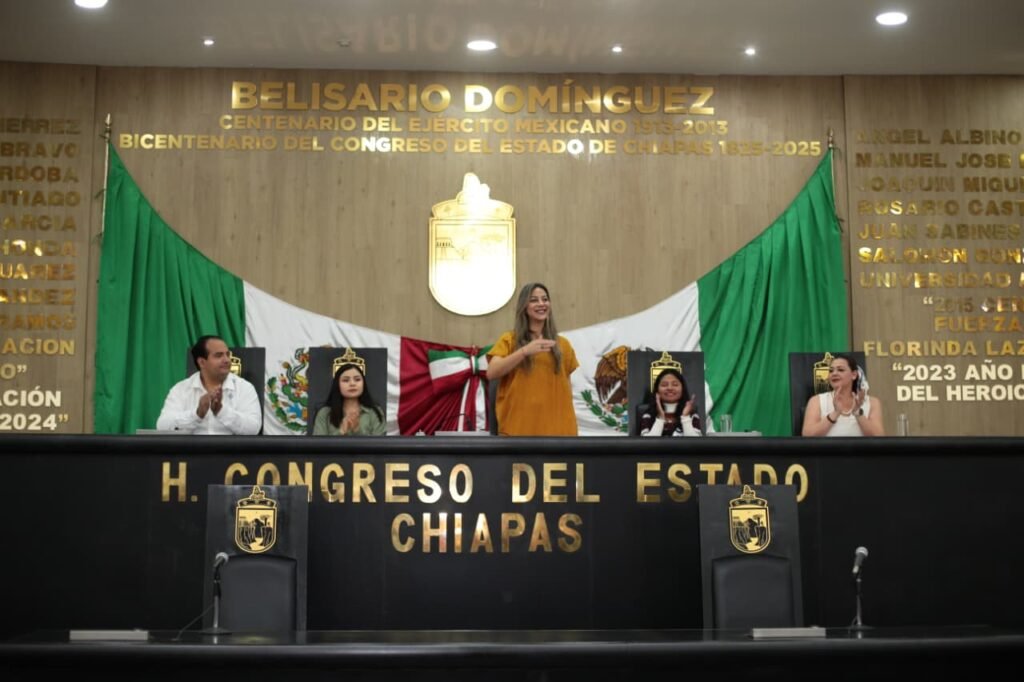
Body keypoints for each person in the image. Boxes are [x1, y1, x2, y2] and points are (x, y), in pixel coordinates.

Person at [486, 282, 579, 436]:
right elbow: (492, 372)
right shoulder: (509, 339)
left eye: (545, 299)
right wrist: (524, 351)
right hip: (519, 432)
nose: (541, 304)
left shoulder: (563, 344)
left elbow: (567, 390)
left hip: (559, 432)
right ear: (524, 306)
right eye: (534, 300)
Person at [156, 335, 262, 434]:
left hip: (230, 448)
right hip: (192, 448)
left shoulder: (244, 388)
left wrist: (221, 411)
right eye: (218, 355)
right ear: (202, 362)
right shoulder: (181, 389)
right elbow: (162, 426)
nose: (226, 360)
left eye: (227, 354)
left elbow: (254, 428)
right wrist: (197, 414)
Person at [801, 353, 884, 436]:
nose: (834, 373)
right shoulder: (816, 401)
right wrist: (835, 413)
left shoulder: (872, 402)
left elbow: (879, 436)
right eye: (831, 371)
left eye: (840, 370)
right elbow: (808, 435)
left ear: (854, 375)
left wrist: (858, 412)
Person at [311, 363, 386, 436]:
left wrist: (357, 431)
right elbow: (318, 444)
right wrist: (341, 431)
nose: (352, 383)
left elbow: (380, 443)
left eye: (357, 379)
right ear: (337, 384)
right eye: (346, 380)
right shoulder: (325, 413)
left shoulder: (374, 412)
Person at [638, 368, 703, 437]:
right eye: (664, 385)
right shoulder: (648, 416)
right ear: (657, 391)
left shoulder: (692, 416)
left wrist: (685, 417)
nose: (670, 388)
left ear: (682, 389)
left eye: (675, 385)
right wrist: (660, 418)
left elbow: (695, 443)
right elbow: (648, 443)